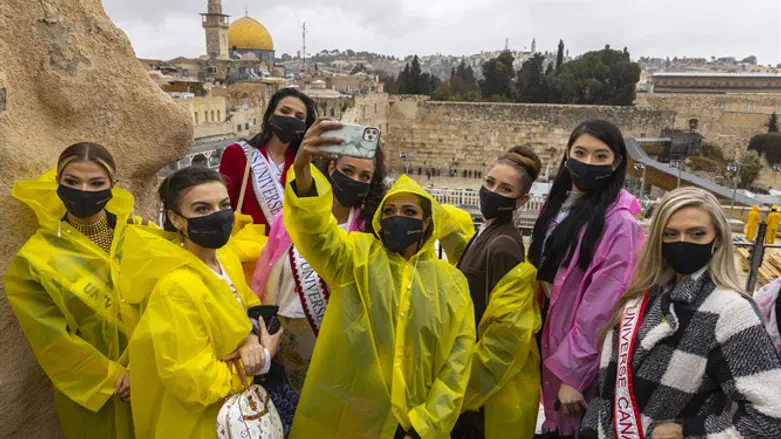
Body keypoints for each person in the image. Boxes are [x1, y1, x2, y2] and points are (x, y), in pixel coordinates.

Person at [285, 119, 476, 439]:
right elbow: (315, 233)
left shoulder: (451, 283)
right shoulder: (356, 257)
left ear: (427, 222)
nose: (398, 219)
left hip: (411, 426)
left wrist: (426, 425)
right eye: (389, 212)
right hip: (347, 420)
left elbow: (457, 363)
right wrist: (303, 170)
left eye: (410, 213)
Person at [581, 187, 781, 439]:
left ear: (717, 238)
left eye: (697, 234)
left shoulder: (731, 310)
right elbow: (608, 387)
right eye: (671, 234)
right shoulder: (641, 296)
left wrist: (688, 433)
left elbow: (771, 418)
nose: (682, 242)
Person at [125, 167, 283, 438]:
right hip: (199, 424)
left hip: (240, 415)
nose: (218, 216)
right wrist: (261, 358)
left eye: (223, 205)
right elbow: (194, 383)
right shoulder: (174, 288)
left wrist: (249, 339)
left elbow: (247, 306)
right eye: (201, 209)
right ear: (175, 219)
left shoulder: (226, 258)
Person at [5, 142, 138, 439]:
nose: (84, 190)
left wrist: (148, 366)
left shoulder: (139, 234)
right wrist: (114, 377)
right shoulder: (35, 259)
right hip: (94, 394)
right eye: (72, 182)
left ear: (112, 186)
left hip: (153, 377)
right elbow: (51, 341)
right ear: (57, 184)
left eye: (96, 183)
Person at [249, 148, 387, 425]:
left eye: (364, 176)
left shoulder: (372, 229)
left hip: (337, 340)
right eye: (348, 171)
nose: (355, 180)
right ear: (332, 167)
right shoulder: (289, 221)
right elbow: (263, 278)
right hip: (284, 341)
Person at [528, 120, 645, 439]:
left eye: (600, 156)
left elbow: (603, 307)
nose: (588, 163)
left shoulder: (620, 225)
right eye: (580, 152)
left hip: (578, 359)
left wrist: (572, 376)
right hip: (550, 338)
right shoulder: (556, 207)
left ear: (617, 163)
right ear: (567, 154)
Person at [451, 146, 544, 439]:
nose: (492, 192)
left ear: (522, 200)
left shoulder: (503, 245)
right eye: (490, 183)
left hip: (478, 390)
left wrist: (467, 387)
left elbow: (503, 328)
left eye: (505, 188)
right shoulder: (488, 233)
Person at [219, 88, 317, 234]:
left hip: (287, 253)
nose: (291, 118)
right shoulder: (237, 154)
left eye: (299, 117)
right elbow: (222, 206)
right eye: (284, 111)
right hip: (248, 251)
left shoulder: (302, 165)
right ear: (271, 114)